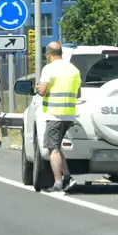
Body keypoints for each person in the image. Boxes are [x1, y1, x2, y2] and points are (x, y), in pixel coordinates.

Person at [36, 42, 81, 193]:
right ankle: (67, 177)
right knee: (57, 146)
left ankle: (58, 183)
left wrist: (38, 87)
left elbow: (42, 91)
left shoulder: (49, 68)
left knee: (52, 148)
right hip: (69, 115)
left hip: (55, 114)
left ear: (48, 53)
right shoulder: (73, 69)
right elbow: (78, 94)